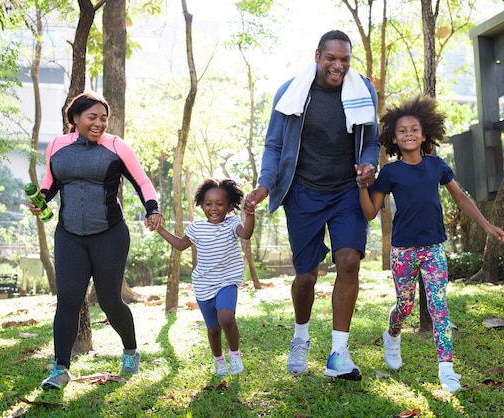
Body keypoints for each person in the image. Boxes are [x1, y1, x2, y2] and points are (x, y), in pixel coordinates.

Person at [246, 29, 380, 380]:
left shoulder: (363, 90)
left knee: (349, 260)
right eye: (331, 58)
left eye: (344, 59)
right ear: (318, 55)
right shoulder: (292, 92)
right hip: (302, 191)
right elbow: (274, 146)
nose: (338, 65)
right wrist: (265, 183)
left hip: (346, 191)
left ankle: (338, 353)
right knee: (306, 275)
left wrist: (369, 164)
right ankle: (301, 337)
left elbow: (372, 140)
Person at [357, 94, 504, 393]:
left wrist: (488, 225)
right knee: (405, 305)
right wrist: (363, 187)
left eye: (414, 129)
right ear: (395, 139)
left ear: (424, 135)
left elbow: (461, 198)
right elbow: (371, 212)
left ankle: (447, 370)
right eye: (402, 131)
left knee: (439, 307)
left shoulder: (437, 166)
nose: (409, 133)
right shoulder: (390, 173)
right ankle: (393, 333)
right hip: (402, 250)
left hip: (433, 248)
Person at [29, 91, 164, 390]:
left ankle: (130, 350)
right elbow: (50, 183)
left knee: (110, 300)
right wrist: (41, 200)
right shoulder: (57, 146)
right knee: (67, 300)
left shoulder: (116, 146)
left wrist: (152, 209)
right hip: (69, 235)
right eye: (92, 117)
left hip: (109, 235)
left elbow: (142, 181)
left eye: (104, 118)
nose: (99, 123)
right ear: (74, 118)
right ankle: (60, 369)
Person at [153, 178, 255, 376]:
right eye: (208, 204)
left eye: (220, 204)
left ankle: (234, 354)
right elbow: (181, 245)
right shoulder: (196, 228)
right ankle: (219, 361)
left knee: (226, 317)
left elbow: (246, 234)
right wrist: (160, 229)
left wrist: (250, 215)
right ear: (201, 204)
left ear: (230, 206)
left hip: (227, 281)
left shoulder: (232, 223)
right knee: (213, 328)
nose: (214, 208)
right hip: (203, 285)